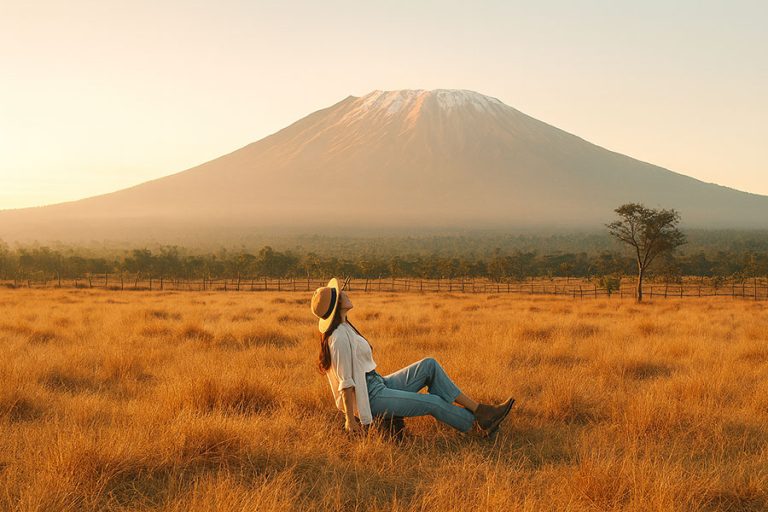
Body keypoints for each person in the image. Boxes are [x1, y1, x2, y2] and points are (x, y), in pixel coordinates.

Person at [311, 278, 515, 437]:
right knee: (432, 402)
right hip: (370, 397)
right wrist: (350, 419)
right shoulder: (337, 338)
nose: (346, 292)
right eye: (341, 294)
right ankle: (475, 427)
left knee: (429, 365)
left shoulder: (346, 327)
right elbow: (346, 384)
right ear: (338, 305)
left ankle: (482, 411)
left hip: (377, 383)